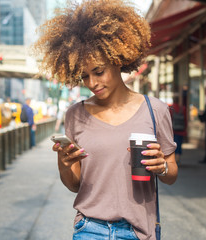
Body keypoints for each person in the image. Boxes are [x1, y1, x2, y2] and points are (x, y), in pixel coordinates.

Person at [34, 0, 178, 239]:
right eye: (84, 77)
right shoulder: (75, 114)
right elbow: (74, 185)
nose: (92, 83)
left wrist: (161, 165)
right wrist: (65, 162)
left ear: (118, 58)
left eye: (98, 72)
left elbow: (172, 175)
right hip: (89, 229)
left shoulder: (155, 110)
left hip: (138, 231)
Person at [171, 95, 187, 164]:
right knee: (179, 144)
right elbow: (185, 119)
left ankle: (174, 158)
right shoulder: (182, 108)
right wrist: (185, 129)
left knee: (173, 143)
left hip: (173, 130)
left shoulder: (171, 108)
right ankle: (178, 158)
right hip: (181, 130)